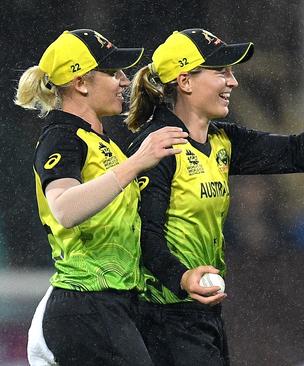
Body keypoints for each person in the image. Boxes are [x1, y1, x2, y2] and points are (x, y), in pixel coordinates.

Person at [125, 28, 304, 365]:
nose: (233, 82)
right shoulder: (158, 146)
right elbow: (144, 238)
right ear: (185, 81)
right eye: (221, 72)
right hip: (162, 317)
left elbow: (298, 153)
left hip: (204, 314)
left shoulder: (222, 142)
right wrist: (183, 278)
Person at [15, 29, 188, 365]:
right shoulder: (62, 137)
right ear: (81, 82)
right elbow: (64, 208)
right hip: (85, 307)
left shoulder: (102, 142)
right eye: (113, 73)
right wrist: (138, 162)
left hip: (107, 308)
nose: (124, 81)